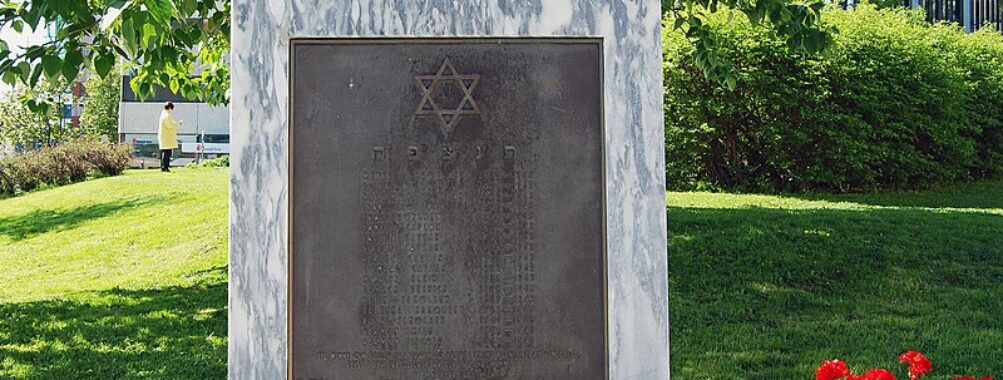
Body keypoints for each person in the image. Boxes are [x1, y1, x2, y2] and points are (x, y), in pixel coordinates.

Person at [158, 102, 180, 172]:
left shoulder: (163, 115)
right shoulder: (167, 116)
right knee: (166, 153)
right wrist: (177, 124)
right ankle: (165, 167)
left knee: (164, 152)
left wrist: (175, 124)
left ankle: (164, 167)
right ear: (170, 108)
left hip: (165, 137)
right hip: (166, 137)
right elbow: (169, 125)